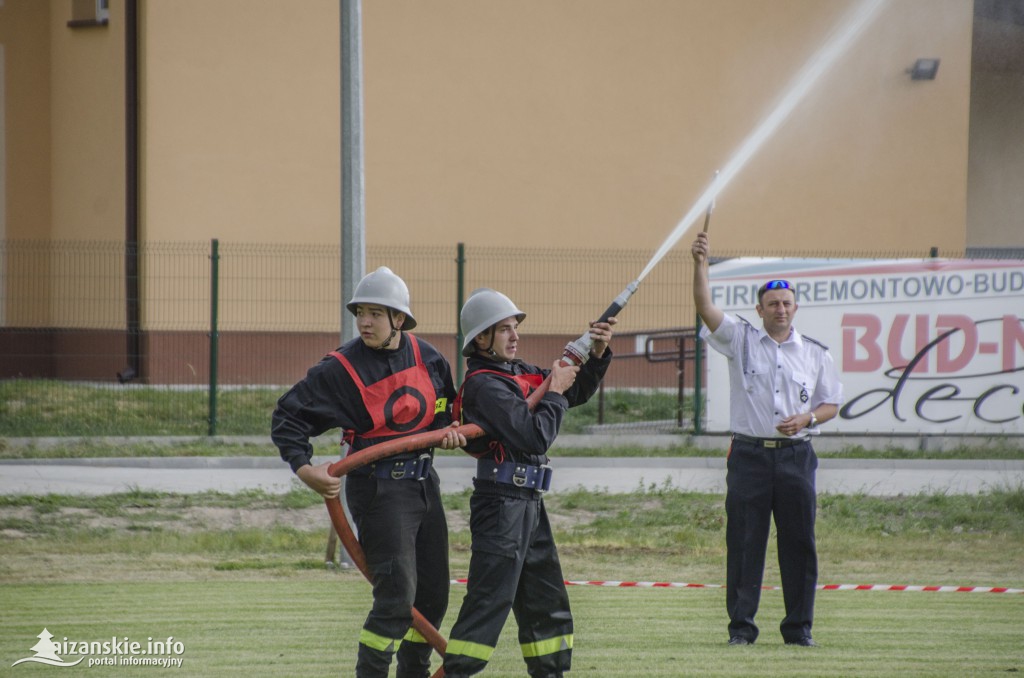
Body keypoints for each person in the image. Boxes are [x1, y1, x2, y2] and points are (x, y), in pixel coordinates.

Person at [271, 266, 465, 678]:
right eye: (360, 312)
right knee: (396, 599)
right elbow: (287, 418)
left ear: (399, 319)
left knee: (432, 599)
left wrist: (447, 432)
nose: (364, 322)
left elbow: (445, 412)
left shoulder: (430, 358)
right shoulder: (339, 369)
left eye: (376, 313)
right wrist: (307, 471)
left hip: (423, 485)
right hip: (378, 491)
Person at [442, 288, 615, 678]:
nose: (514, 336)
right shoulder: (485, 386)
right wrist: (553, 390)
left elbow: (575, 392)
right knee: (487, 604)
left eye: (515, 327)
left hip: (529, 504)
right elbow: (534, 436)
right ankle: (457, 672)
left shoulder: (517, 373)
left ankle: (550, 672)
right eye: (504, 329)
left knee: (546, 602)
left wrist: (597, 354)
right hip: (501, 504)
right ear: (481, 339)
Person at [691, 231, 842, 647]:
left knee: (799, 546)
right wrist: (700, 265)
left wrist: (808, 417)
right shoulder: (740, 340)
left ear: (796, 308)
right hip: (749, 456)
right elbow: (705, 308)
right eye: (772, 304)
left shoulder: (815, 353)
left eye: (786, 303)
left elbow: (832, 405)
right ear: (759, 309)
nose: (780, 309)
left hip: (796, 457)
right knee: (744, 544)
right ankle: (741, 630)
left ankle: (799, 629)